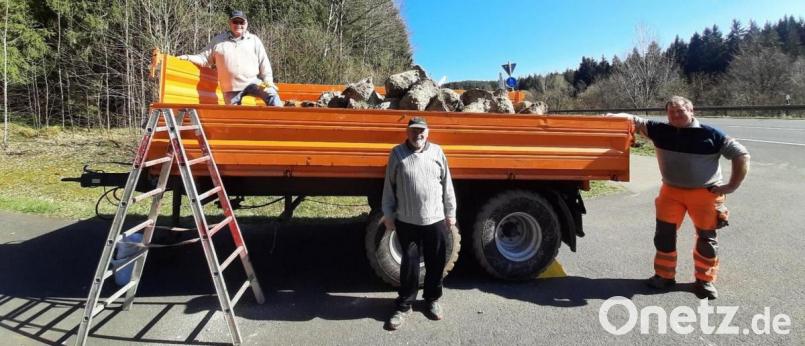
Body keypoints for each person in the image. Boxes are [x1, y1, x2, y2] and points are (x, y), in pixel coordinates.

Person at [610, 96, 750, 300]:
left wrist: (732, 185)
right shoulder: (660, 130)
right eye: (671, 112)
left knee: (706, 239)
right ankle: (664, 276)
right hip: (671, 192)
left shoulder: (711, 135)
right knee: (664, 235)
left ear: (692, 111)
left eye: (681, 111)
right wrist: (609, 117)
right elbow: (634, 120)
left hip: (705, 194)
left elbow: (741, 155)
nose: (675, 115)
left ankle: (705, 281)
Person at [381, 116, 457, 330]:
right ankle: (404, 306)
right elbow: (389, 188)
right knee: (409, 265)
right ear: (407, 132)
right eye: (414, 131)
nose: (418, 135)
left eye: (422, 130)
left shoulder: (437, 152)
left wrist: (450, 212)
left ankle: (432, 300)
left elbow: (447, 186)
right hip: (407, 220)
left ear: (428, 132)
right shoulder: (397, 154)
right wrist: (388, 214)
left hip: (435, 219)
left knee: (436, 262)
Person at [178, 10, 281, 106]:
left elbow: (264, 63)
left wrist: (268, 81)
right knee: (233, 117)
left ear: (246, 24)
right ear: (230, 23)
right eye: (235, 22)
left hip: (252, 82)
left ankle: (280, 121)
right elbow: (204, 58)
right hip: (230, 88)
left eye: (242, 22)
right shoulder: (218, 41)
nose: (239, 25)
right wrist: (187, 57)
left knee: (272, 94)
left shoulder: (254, 40)